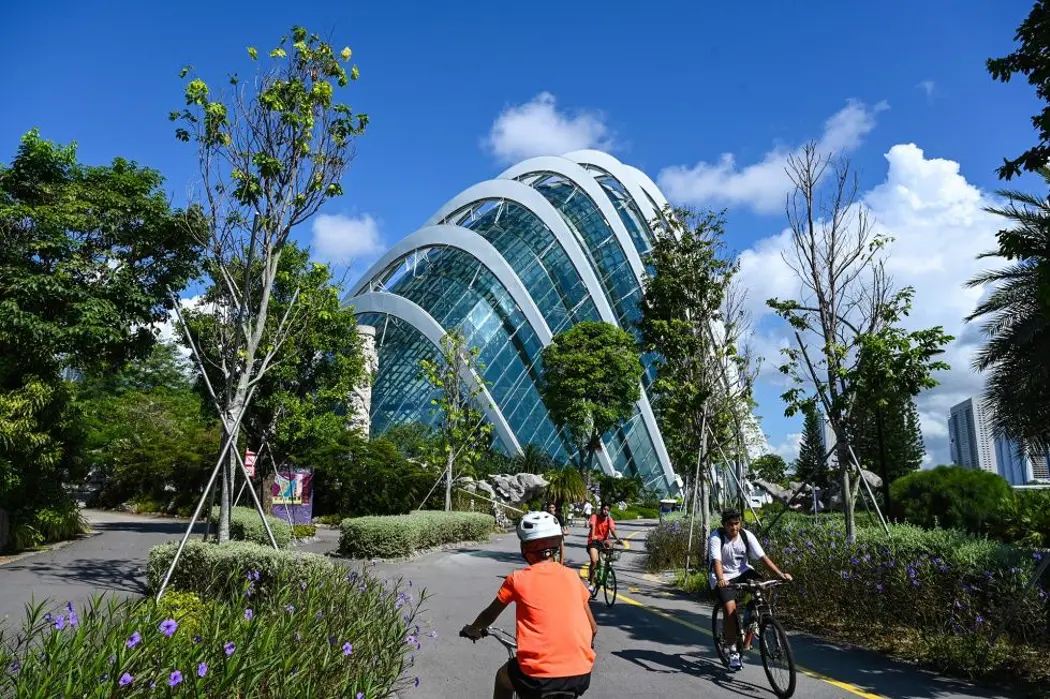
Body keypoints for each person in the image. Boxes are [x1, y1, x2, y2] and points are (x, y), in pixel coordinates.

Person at [461, 512, 597, 699]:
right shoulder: (572, 576)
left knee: (503, 678)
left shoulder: (517, 579)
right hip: (580, 674)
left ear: (524, 547)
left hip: (536, 676)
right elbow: (593, 627)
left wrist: (473, 629)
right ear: (557, 544)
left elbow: (489, 615)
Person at [709, 508, 792, 670]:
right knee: (730, 609)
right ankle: (733, 650)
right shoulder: (716, 537)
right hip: (723, 576)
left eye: (736, 523)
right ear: (724, 525)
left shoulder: (746, 535)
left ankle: (751, 618)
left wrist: (781, 575)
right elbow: (716, 561)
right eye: (730, 524)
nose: (734, 527)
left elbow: (763, 558)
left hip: (743, 572)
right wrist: (720, 580)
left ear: (740, 523)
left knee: (764, 585)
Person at [586, 503, 622, 591]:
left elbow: (612, 530)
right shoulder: (595, 516)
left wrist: (618, 539)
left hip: (603, 541)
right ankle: (591, 582)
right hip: (594, 542)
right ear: (601, 509)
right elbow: (593, 526)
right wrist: (593, 536)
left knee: (610, 546)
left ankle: (608, 575)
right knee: (594, 561)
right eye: (604, 509)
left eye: (607, 510)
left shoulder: (609, 519)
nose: (605, 511)